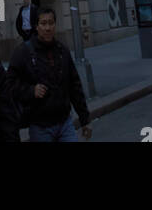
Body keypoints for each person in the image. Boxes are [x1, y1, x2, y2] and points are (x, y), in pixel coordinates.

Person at [8, 8, 91, 142]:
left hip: (65, 123)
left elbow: (74, 86)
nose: (48, 28)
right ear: (36, 26)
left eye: (51, 23)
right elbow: (9, 84)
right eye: (43, 23)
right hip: (40, 126)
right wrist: (30, 91)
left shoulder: (62, 50)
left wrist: (85, 119)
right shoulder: (23, 52)